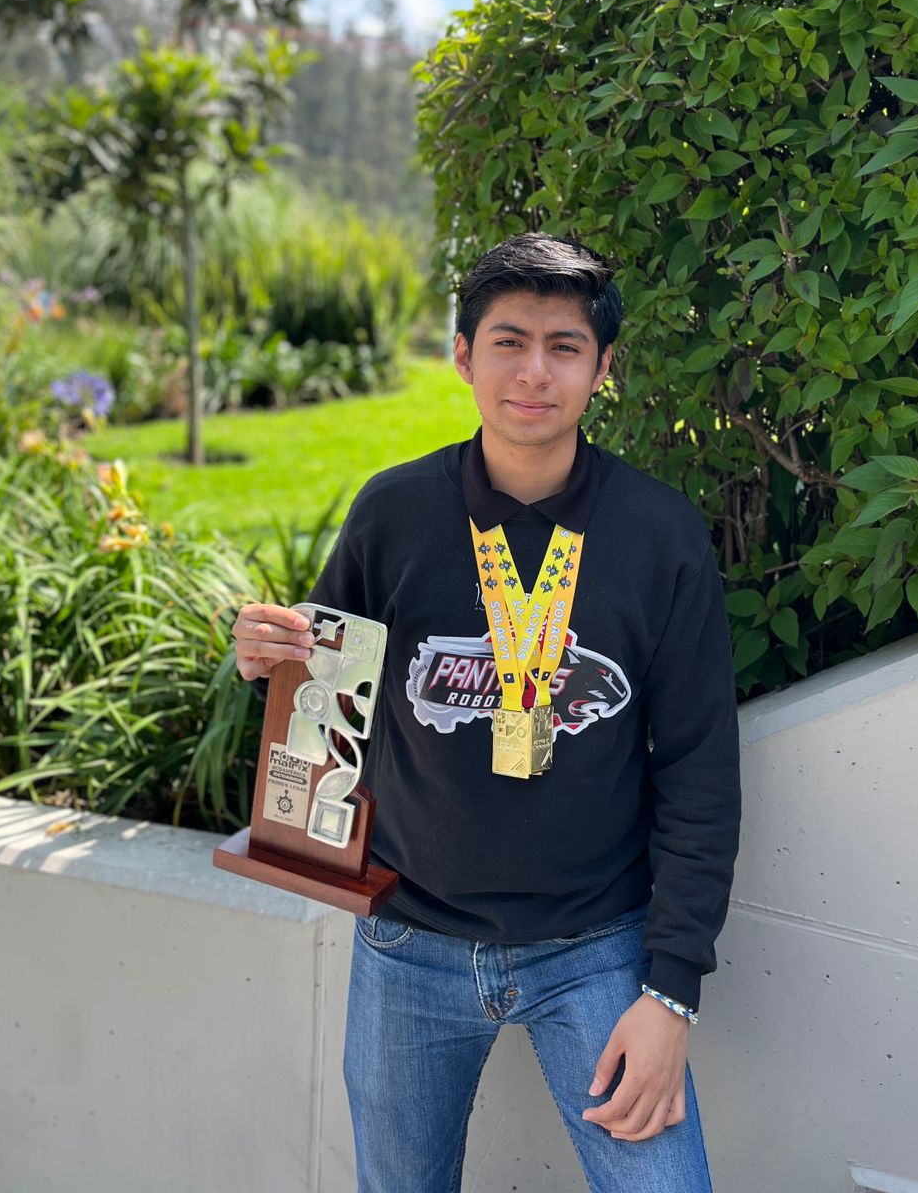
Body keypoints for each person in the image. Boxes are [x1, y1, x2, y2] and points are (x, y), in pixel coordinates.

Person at [233, 233, 741, 1193]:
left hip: (598, 948)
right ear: (463, 356)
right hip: (408, 945)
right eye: (509, 342)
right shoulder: (393, 514)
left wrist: (671, 991)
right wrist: (267, 657)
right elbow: (325, 687)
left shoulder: (659, 536)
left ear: (602, 368)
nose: (534, 372)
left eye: (565, 346)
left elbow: (700, 770)